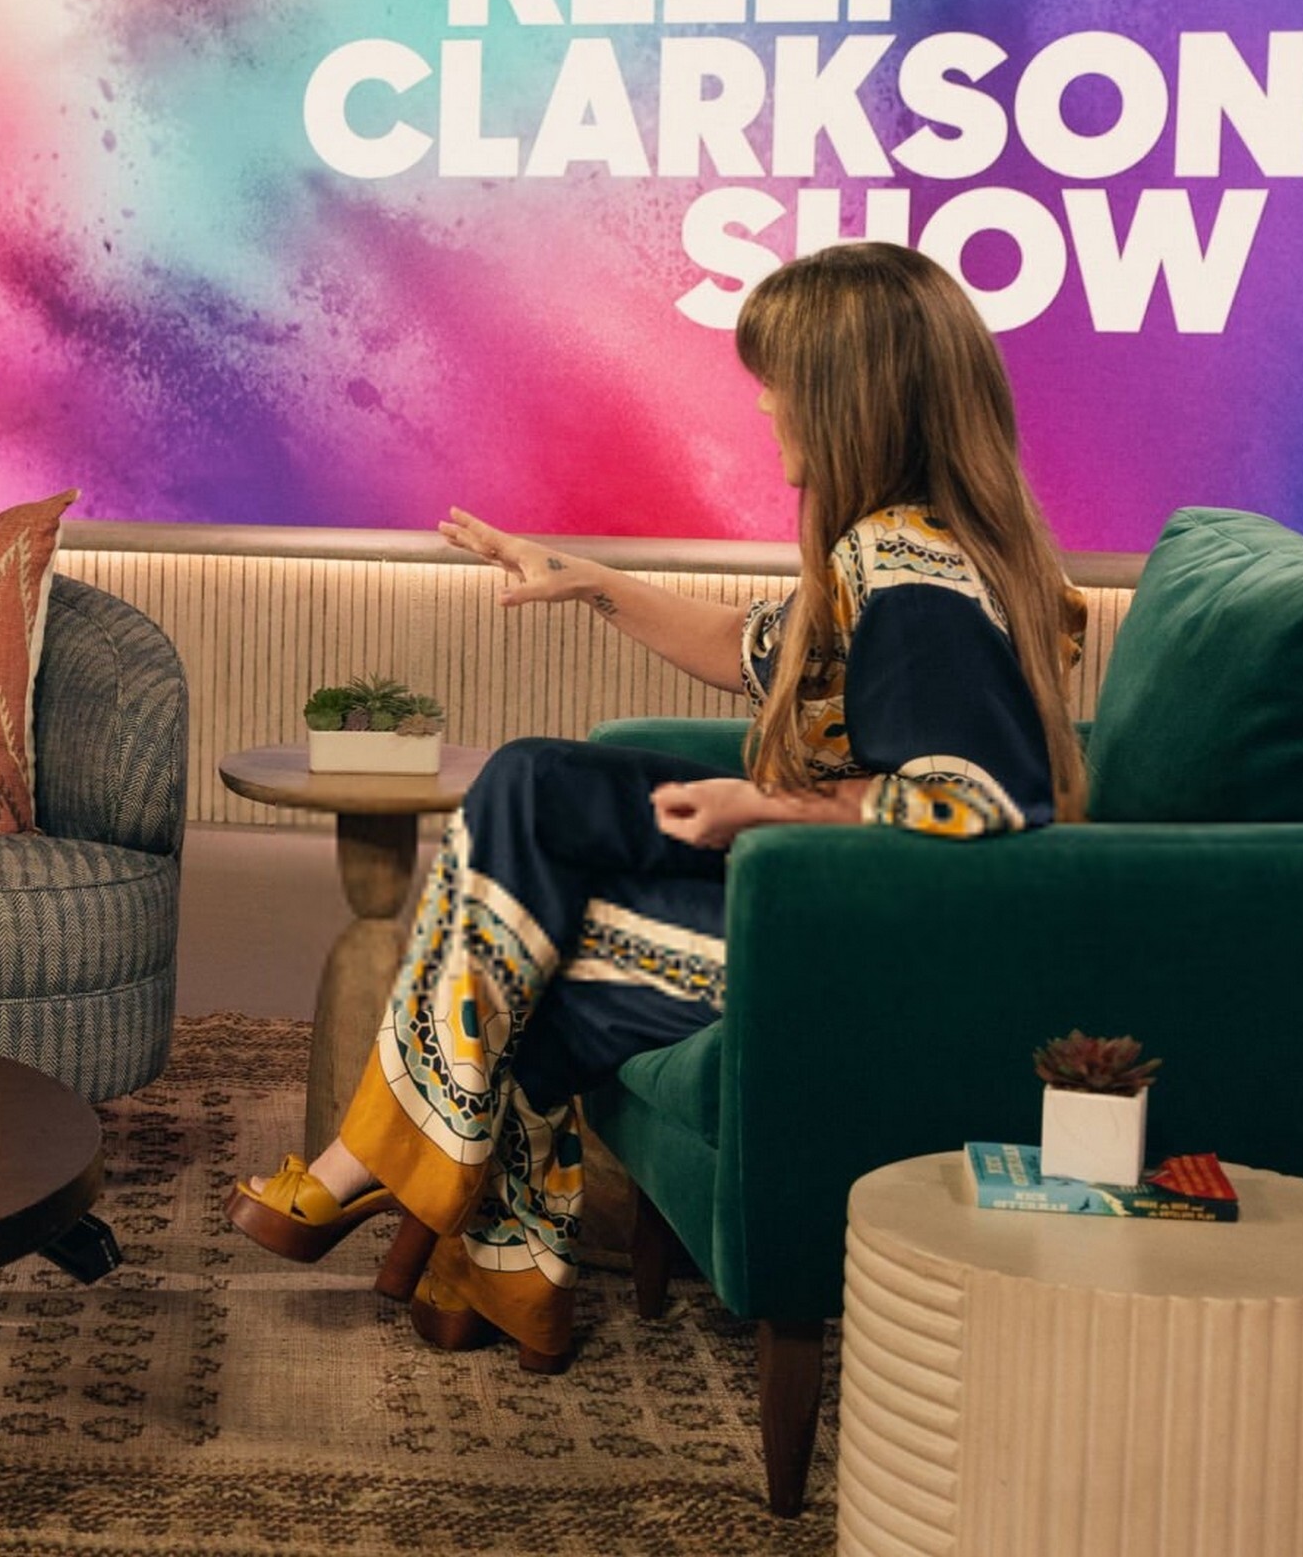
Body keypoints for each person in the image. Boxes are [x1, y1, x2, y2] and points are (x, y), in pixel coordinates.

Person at [226, 241, 1087, 1371]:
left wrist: (767, 809)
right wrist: (588, 580)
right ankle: (487, 1263)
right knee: (529, 830)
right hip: (824, 902)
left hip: (863, 940)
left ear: (851, 396)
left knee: (542, 913)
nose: (765, 403)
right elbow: (751, 648)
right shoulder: (897, 543)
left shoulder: (912, 576)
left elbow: (980, 802)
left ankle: (390, 1171)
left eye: (779, 379)